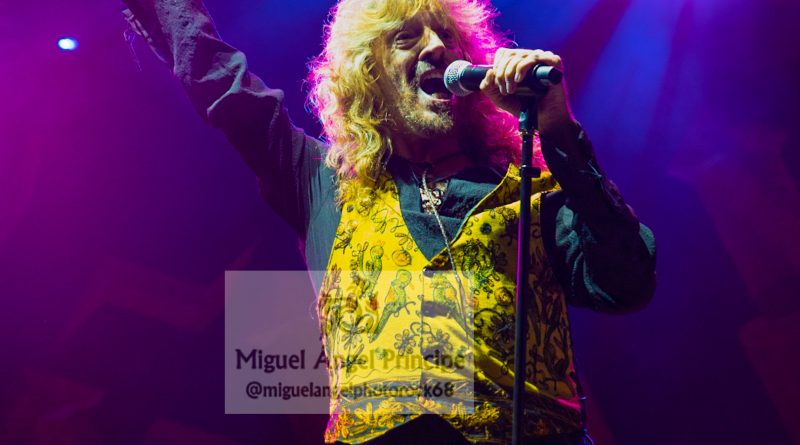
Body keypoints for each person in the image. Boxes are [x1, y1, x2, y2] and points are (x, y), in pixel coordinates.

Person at [121, 0, 656, 444]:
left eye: (447, 36)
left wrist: (557, 131)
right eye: (406, 37)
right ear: (367, 71)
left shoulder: (533, 190)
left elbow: (627, 282)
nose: (436, 47)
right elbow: (224, 85)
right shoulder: (319, 181)